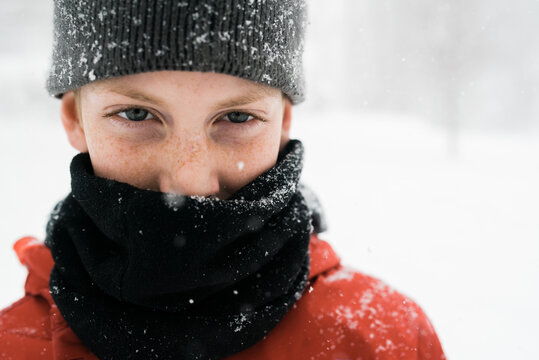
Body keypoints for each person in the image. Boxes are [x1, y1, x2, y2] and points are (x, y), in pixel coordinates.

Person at [0, 0, 447, 359]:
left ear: (283, 122)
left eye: (237, 116)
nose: (191, 182)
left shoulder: (385, 340)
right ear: (73, 117)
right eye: (136, 114)